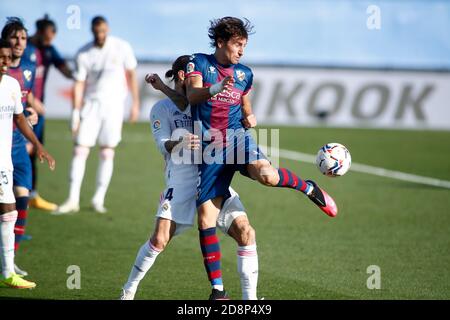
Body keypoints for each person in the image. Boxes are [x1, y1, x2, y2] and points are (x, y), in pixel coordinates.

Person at [185, 17, 338, 298]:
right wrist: (216, 89)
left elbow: (244, 103)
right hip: (210, 148)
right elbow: (193, 95)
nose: (242, 50)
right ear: (221, 42)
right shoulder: (199, 63)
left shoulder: (244, 73)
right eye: (237, 44)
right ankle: (218, 291)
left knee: (267, 175)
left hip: (237, 138)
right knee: (206, 218)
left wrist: (249, 115)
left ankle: (308, 187)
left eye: (245, 45)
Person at [120, 56, 259, 300]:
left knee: (246, 232)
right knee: (159, 240)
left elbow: (207, 110)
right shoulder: (161, 109)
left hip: (212, 175)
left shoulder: (202, 102)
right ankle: (128, 291)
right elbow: (162, 145)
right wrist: (180, 141)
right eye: (196, 77)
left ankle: (249, 300)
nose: (202, 81)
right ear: (184, 77)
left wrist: (246, 117)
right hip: (182, 180)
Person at [55, 16, 140, 214]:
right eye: (96, 32)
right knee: (80, 150)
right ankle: (72, 199)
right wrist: (75, 113)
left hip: (114, 106)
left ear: (107, 29)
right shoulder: (83, 53)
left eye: (102, 31)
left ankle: (98, 199)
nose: (100, 35)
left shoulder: (122, 47)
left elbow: (132, 75)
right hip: (91, 105)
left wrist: (135, 103)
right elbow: (78, 84)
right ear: (92, 31)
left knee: (107, 151)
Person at [0, 38, 55, 289]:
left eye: (8, 59)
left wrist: (39, 145)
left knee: (10, 211)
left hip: (5, 158)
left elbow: (19, 118)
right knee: (9, 210)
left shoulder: (12, 84)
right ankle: (8, 271)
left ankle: (9, 272)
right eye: (1, 57)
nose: (5, 63)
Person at [22, 14, 73, 212]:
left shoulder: (49, 50)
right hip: (24, 107)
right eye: (47, 37)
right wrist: (33, 101)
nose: (50, 41)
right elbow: (18, 79)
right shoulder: (26, 49)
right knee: (22, 151)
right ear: (40, 32)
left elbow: (65, 69)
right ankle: (17, 192)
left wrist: (79, 75)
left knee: (34, 150)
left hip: (38, 111)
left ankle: (31, 194)